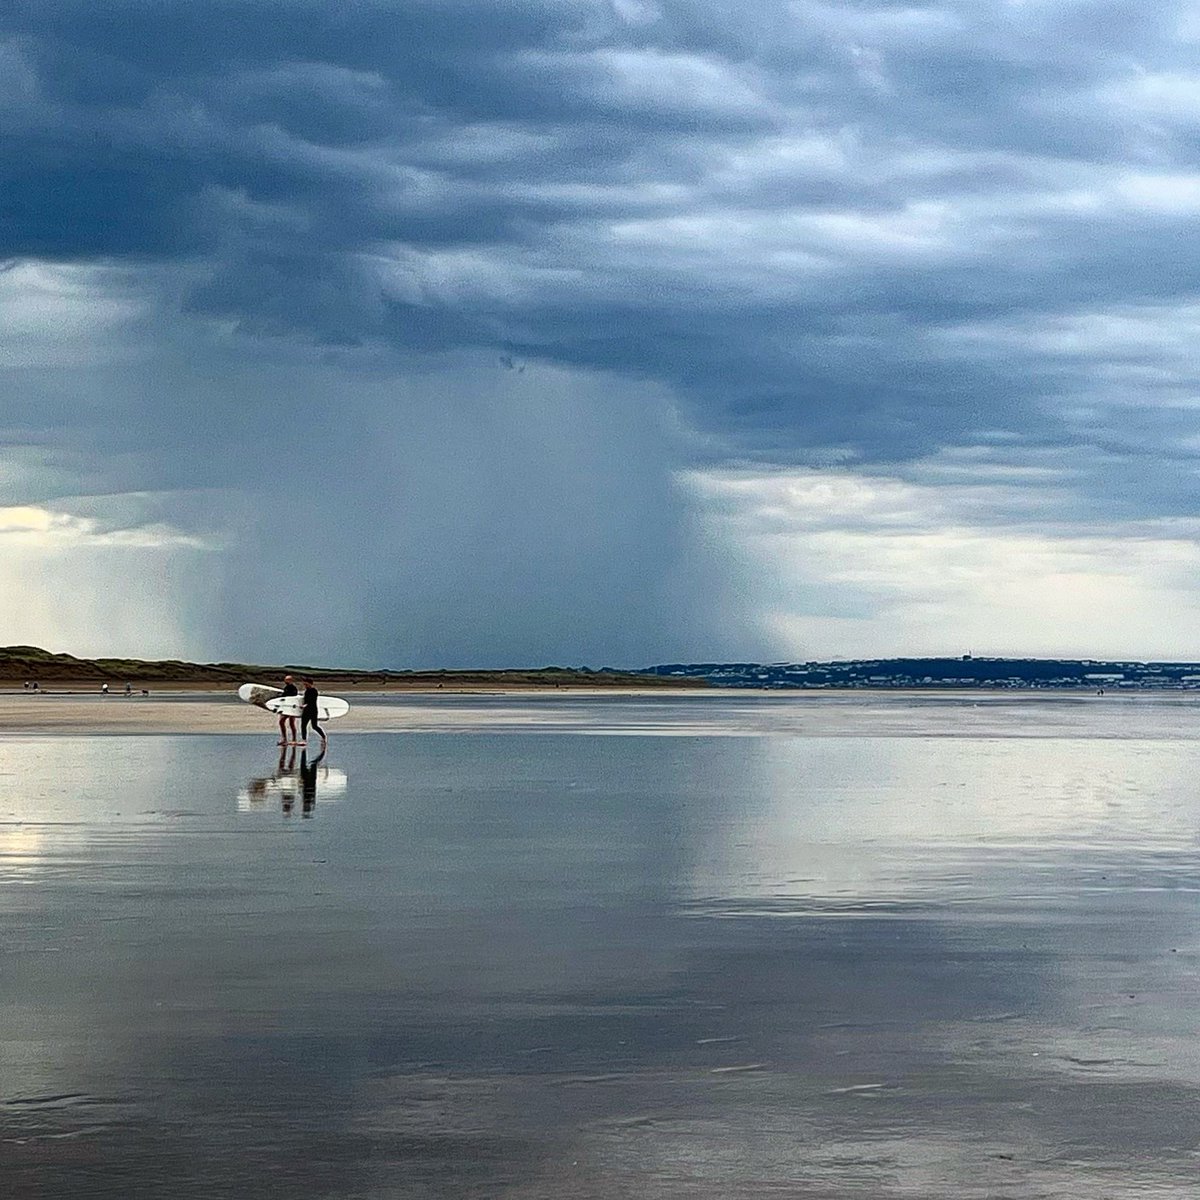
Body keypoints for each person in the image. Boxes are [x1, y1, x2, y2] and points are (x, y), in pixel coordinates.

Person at [299, 676, 327, 749]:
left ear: (310, 684)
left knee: (314, 726)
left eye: (306, 684)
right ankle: (304, 740)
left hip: (313, 710)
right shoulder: (306, 691)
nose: (305, 686)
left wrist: (306, 705)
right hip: (306, 711)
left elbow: (312, 700)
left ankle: (323, 737)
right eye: (304, 685)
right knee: (303, 725)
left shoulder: (314, 691)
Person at [278, 674, 299, 746]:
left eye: (287, 680)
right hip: (285, 708)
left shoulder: (294, 688)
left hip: (292, 708)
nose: (285, 681)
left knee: (291, 723)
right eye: (285, 680)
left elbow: (293, 697)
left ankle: (294, 739)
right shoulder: (286, 688)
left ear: (291, 680)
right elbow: (283, 697)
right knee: (281, 722)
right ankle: (284, 739)